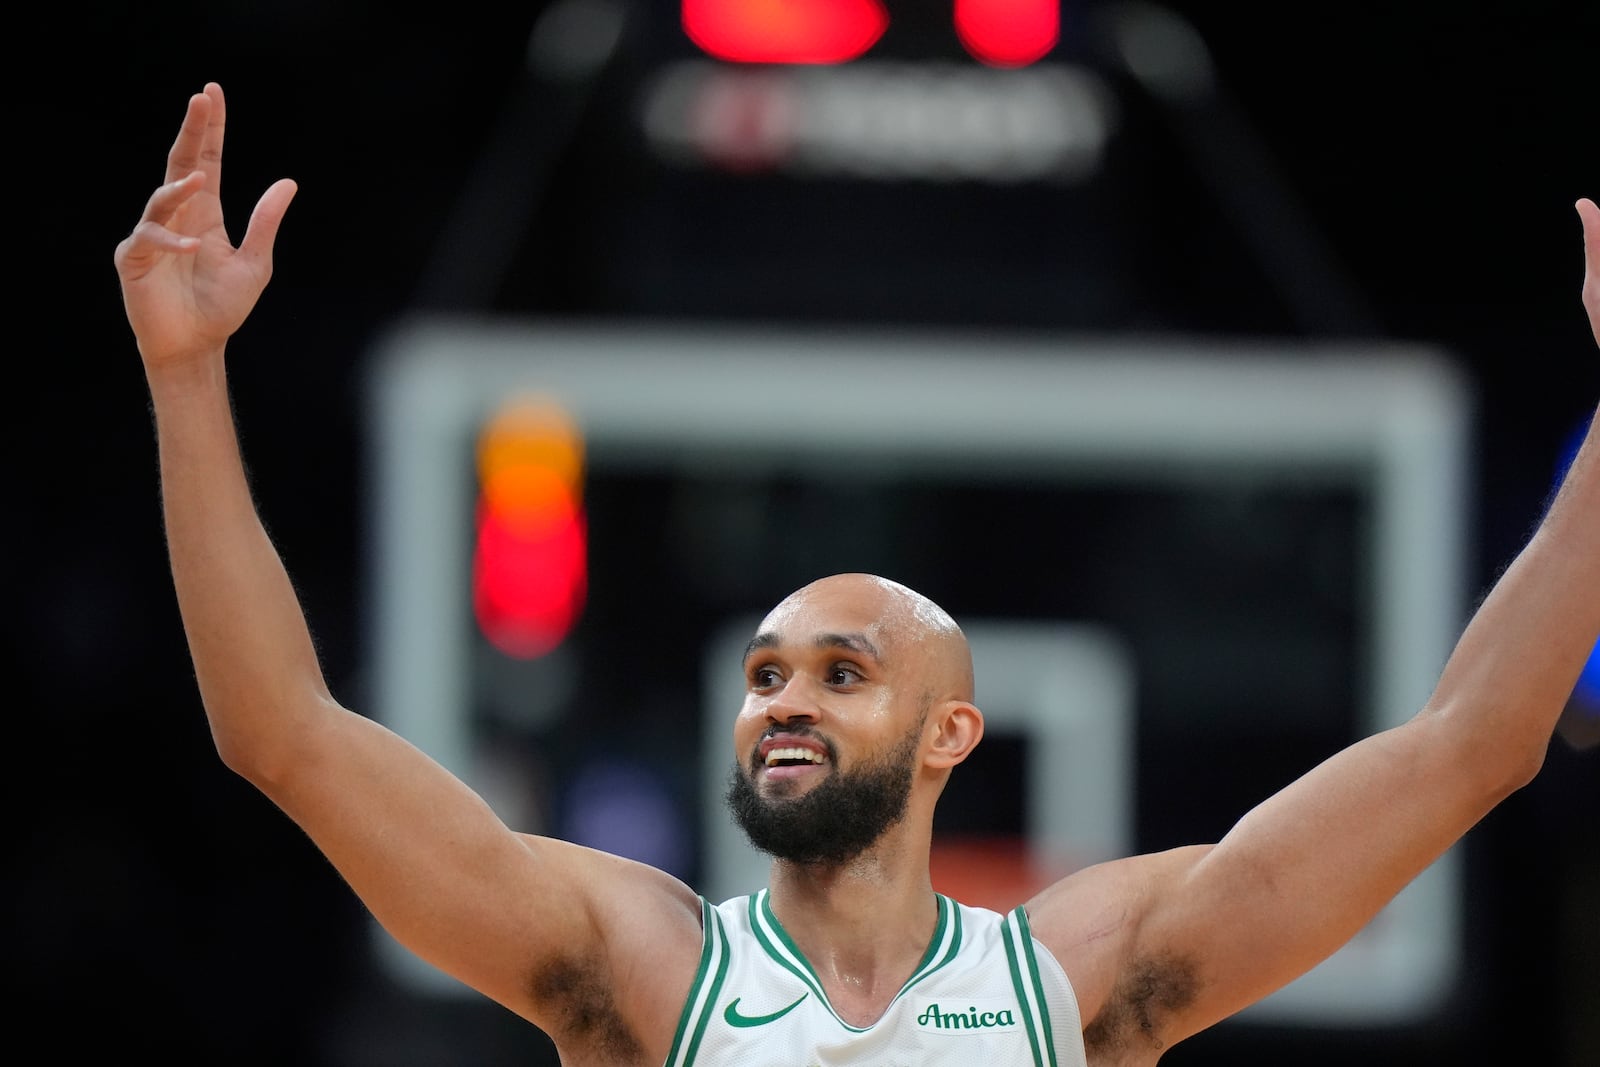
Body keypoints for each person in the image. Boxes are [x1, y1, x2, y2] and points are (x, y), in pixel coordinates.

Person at [115, 81, 1599, 1067]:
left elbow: (1472, 744)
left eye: (843, 671)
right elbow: (284, 736)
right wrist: (187, 383)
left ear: (956, 731)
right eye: (766, 673)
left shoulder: (1073, 980)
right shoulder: (638, 963)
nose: (784, 699)